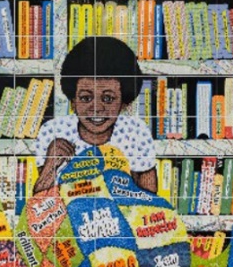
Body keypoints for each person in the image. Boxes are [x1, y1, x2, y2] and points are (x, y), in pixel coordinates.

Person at [33, 36, 157, 194]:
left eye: (108, 99)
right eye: (86, 98)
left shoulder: (136, 132)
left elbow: (151, 201)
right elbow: (37, 205)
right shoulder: (52, 131)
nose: (97, 108)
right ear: (73, 101)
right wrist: (51, 165)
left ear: (124, 103)